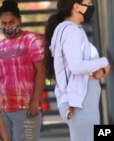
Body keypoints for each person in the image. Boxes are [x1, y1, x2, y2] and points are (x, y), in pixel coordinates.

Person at [44, 0, 111, 141]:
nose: (91, 6)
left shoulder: (72, 29)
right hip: (81, 107)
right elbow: (76, 67)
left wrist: (102, 70)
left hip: (82, 105)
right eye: (88, 2)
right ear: (76, 6)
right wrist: (104, 62)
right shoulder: (70, 30)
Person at [0, 0, 45, 141]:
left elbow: (41, 71)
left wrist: (35, 100)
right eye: (4, 23)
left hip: (25, 107)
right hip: (2, 108)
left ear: (19, 21)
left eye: (12, 22)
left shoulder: (32, 39)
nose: (8, 26)